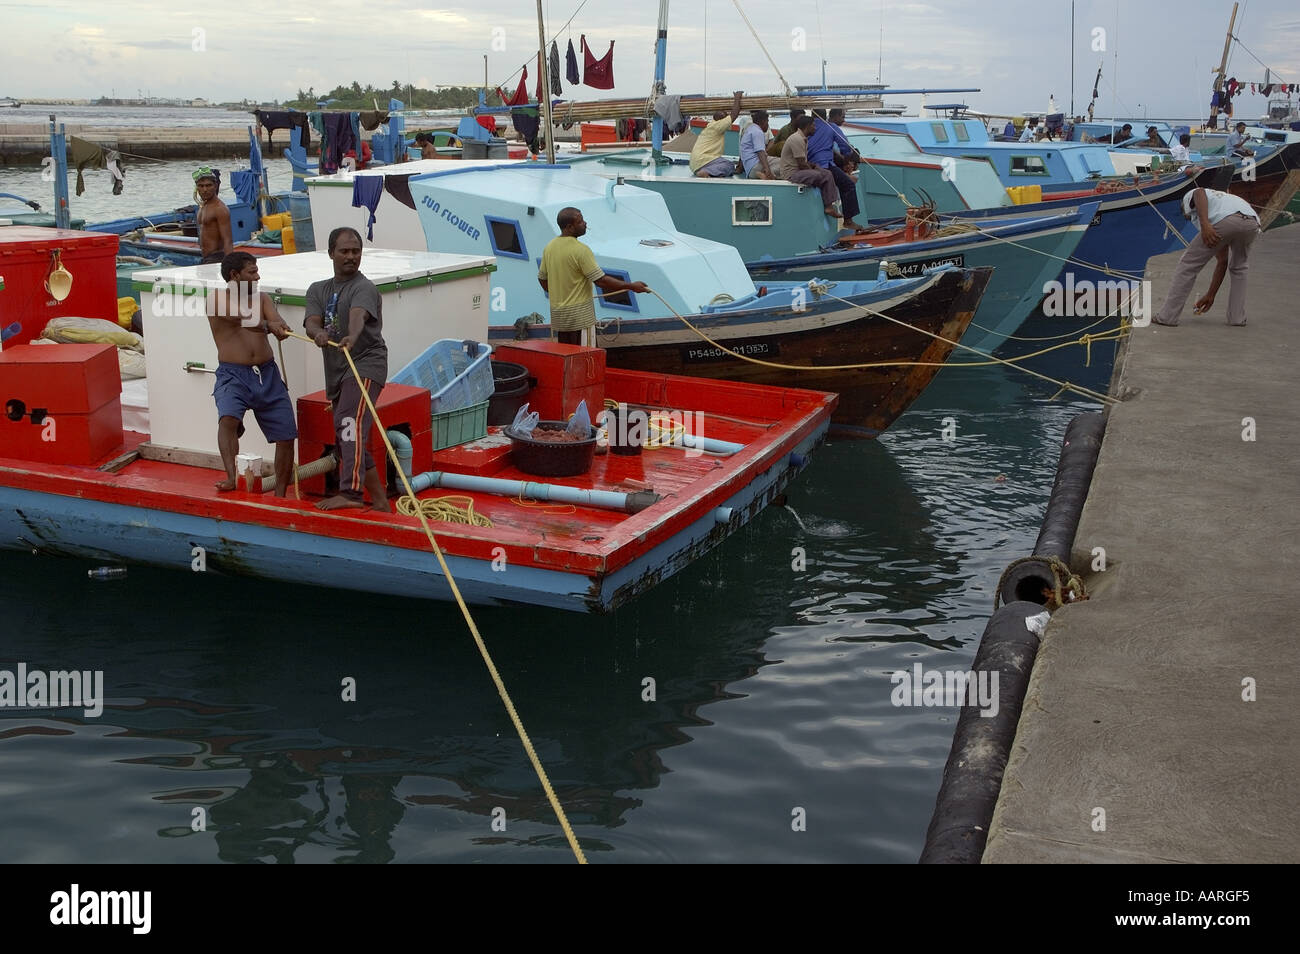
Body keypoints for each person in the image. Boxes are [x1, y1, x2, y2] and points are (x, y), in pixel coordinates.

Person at [303, 227, 390, 512]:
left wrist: (352, 336)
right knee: (347, 437)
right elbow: (311, 322)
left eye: (356, 251)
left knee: (348, 424)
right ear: (331, 254)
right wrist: (317, 333)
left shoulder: (364, 287)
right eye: (344, 251)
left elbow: (358, 316)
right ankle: (379, 501)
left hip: (365, 364)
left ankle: (351, 493)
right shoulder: (317, 288)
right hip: (339, 372)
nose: (351, 257)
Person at [206, 252, 296, 495]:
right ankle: (230, 478)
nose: (258, 276)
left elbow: (276, 321)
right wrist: (269, 325)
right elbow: (240, 318)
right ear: (234, 275)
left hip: (267, 374)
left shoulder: (263, 298)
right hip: (233, 375)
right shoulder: (215, 299)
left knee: (287, 435)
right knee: (227, 420)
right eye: (252, 272)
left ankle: (280, 493)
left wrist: (280, 327)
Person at [537, 207, 649, 348]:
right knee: (586, 358)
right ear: (570, 227)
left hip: (560, 318)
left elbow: (542, 278)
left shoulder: (549, 248)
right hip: (581, 319)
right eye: (580, 221)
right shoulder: (581, 250)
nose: (585, 223)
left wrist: (559, 294)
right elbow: (601, 281)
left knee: (567, 356)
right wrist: (632, 286)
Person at [1152, 188, 1260, 327]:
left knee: (1188, 264)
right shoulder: (1221, 200)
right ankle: (1236, 318)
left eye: (1190, 217)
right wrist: (1211, 295)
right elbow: (1222, 261)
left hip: (1226, 220)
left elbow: (1199, 192)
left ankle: (1167, 316)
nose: (1191, 220)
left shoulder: (1190, 199)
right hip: (1251, 223)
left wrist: (1205, 225)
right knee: (1239, 268)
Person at [808, 109, 863, 229]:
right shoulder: (831, 127)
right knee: (848, 185)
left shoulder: (807, 126)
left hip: (808, 164)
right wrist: (846, 158)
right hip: (824, 165)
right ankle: (848, 221)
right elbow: (845, 147)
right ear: (826, 115)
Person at [779, 115, 840, 221]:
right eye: (813, 126)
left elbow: (803, 162)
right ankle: (826, 203)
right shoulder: (796, 139)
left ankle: (829, 206)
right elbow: (802, 164)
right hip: (791, 174)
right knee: (819, 174)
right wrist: (814, 169)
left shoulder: (803, 139)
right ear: (807, 126)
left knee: (827, 173)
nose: (815, 128)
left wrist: (813, 166)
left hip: (798, 170)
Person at [689, 90, 744, 177]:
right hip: (704, 160)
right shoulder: (718, 125)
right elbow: (734, 114)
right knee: (729, 165)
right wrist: (737, 98)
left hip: (694, 164)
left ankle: (706, 171)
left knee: (723, 163)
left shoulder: (710, 125)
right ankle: (707, 171)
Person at [195, 167, 232, 266]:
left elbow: (227, 240)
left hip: (217, 258)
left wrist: (229, 265)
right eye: (201, 186)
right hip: (205, 257)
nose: (205, 189)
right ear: (197, 187)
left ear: (215, 186)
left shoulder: (220, 209)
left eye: (208, 185)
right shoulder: (203, 206)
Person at [740, 110, 777, 179]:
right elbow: (760, 152)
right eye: (767, 121)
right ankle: (767, 175)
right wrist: (767, 169)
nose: (768, 124)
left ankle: (764, 175)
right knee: (783, 163)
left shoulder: (750, 129)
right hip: (755, 166)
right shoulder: (757, 132)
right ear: (762, 121)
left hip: (749, 169)